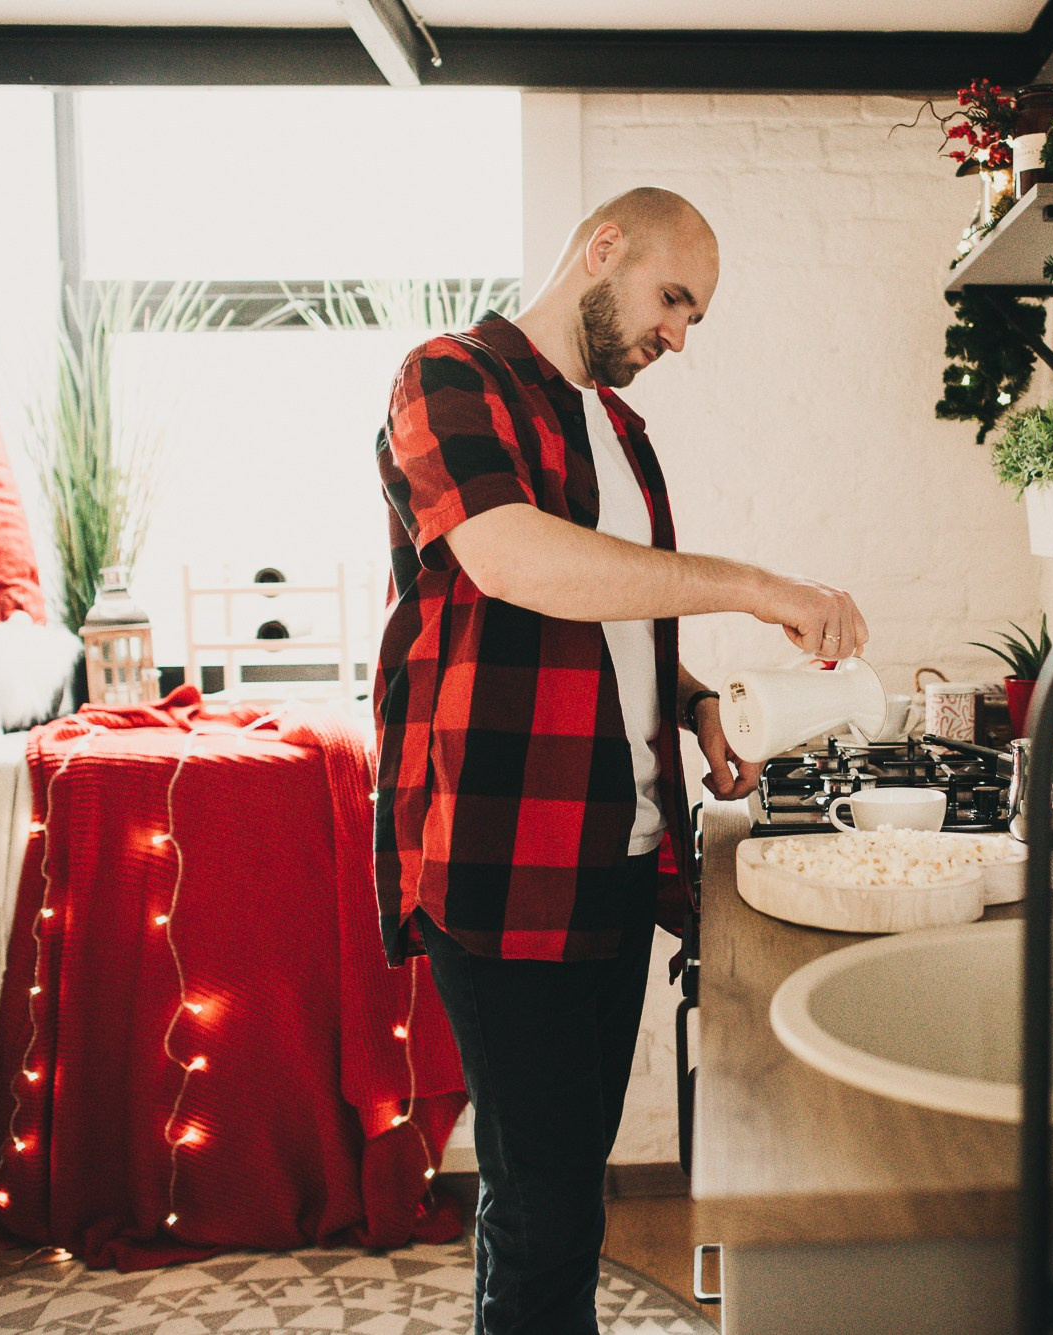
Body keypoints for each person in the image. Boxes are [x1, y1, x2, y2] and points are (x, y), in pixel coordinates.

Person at [372, 186, 868, 1334]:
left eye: (693, 317)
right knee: (541, 1210)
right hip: (505, 854)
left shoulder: (620, 430)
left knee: (567, 1196)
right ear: (602, 250)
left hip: (615, 844)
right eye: (672, 299)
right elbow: (516, 564)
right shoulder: (448, 376)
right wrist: (755, 585)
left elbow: (612, 621)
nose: (679, 337)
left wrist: (691, 702)